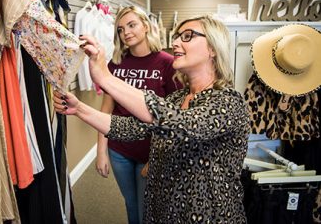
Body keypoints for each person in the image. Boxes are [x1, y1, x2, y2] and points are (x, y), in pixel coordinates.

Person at [54, 15, 250, 223]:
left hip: (207, 214)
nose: (175, 43)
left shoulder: (229, 101)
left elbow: (181, 124)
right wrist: (80, 109)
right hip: (162, 208)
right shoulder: (177, 98)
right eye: (176, 37)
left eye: (187, 36)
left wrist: (105, 78)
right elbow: (131, 127)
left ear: (213, 48)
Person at [96, 6, 180, 224]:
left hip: (150, 151)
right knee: (131, 204)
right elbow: (107, 110)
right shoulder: (115, 64)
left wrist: (158, 158)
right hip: (119, 150)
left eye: (132, 25)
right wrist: (101, 151)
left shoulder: (167, 63)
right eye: (121, 29)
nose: (126, 33)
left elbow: (174, 117)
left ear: (145, 26)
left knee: (147, 208)